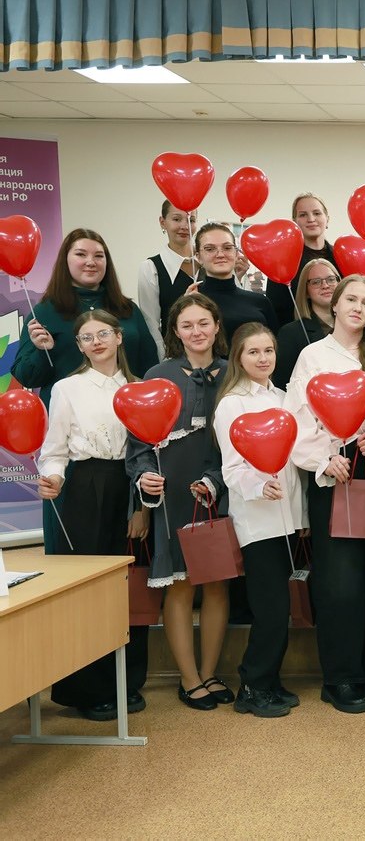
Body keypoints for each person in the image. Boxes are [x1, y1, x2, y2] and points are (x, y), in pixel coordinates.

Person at [285, 275, 365, 713]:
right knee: (340, 582)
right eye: (350, 299)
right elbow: (295, 417)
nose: (358, 307)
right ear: (334, 305)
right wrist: (323, 459)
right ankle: (339, 677)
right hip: (333, 474)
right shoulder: (312, 356)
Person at [37, 309, 149, 721]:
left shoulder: (141, 387)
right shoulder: (68, 387)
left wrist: (141, 507)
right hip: (85, 488)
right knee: (89, 587)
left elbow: (148, 452)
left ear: (119, 337)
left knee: (127, 586)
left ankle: (127, 681)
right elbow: (54, 450)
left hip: (131, 485)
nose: (96, 341)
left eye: (104, 333)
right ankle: (88, 689)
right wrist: (53, 478)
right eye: (86, 337)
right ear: (79, 346)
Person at [16, 228, 158, 554]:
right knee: (78, 547)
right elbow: (26, 375)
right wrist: (40, 349)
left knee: (126, 555)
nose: (90, 262)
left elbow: (149, 367)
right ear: (66, 260)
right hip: (77, 442)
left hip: (127, 441)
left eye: (99, 255)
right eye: (81, 254)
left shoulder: (127, 309)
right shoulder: (46, 311)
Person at [126, 293, 231, 711]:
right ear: (175, 331)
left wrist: (217, 480)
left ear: (217, 325)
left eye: (203, 323)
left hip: (220, 490)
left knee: (218, 582)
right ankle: (188, 680)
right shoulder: (158, 373)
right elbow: (138, 443)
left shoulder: (234, 372)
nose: (196, 332)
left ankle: (210, 672)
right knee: (182, 584)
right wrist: (142, 481)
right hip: (173, 493)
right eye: (186, 325)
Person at [213, 323, 305, 718]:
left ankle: (269, 680)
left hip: (288, 519)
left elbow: (294, 464)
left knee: (281, 607)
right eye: (253, 352)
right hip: (258, 521)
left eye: (268, 350)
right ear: (238, 357)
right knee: (269, 608)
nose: (263, 358)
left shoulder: (284, 398)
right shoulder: (231, 403)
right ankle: (251, 686)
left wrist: (302, 517)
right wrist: (257, 486)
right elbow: (231, 469)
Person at [195, 222, 278, 339]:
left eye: (227, 248)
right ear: (198, 257)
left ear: (236, 253)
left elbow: (274, 348)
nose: (220, 254)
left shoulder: (261, 302)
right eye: (210, 249)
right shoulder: (192, 300)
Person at [138, 201, 199, 357]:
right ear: (162, 222)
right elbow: (151, 325)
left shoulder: (209, 263)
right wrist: (164, 362)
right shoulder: (151, 268)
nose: (185, 226)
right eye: (177, 219)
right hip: (175, 358)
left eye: (191, 220)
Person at [265, 193, 336, 324]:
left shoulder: (342, 256)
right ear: (294, 222)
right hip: (299, 337)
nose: (311, 219)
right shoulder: (283, 261)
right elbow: (276, 310)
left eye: (317, 213)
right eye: (303, 215)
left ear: (327, 219)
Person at [273, 258, 339, 389]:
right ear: (306, 291)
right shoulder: (290, 334)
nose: (325, 285)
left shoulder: (355, 326)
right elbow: (283, 386)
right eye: (316, 282)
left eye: (331, 279)